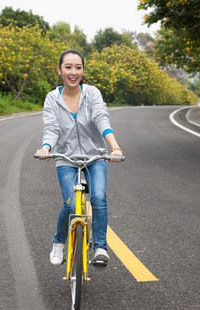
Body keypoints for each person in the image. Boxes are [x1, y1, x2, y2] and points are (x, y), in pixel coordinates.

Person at [36, 49, 123, 266]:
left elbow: (101, 119)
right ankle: (59, 242)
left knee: (98, 198)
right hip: (66, 158)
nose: (73, 72)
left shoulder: (92, 94)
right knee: (71, 204)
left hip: (95, 157)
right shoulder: (52, 99)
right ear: (60, 70)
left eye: (78, 67)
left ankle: (100, 248)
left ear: (83, 70)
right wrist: (46, 147)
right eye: (68, 67)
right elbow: (52, 128)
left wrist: (114, 147)